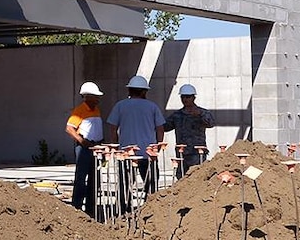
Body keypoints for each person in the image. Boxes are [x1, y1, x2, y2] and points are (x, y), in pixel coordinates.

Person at [107, 75, 167, 205]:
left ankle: (123, 209)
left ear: (130, 90)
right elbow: (160, 128)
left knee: (125, 184)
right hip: (147, 153)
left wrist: (116, 146)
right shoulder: (152, 107)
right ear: (144, 91)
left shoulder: (120, 106)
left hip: (127, 154)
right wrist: (158, 147)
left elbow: (112, 128)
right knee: (151, 185)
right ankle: (150, 208)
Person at [66, 82, 107, 213]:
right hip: (84, 148)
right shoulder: (79, 111)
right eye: (95, 96)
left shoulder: (96, 110)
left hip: (96, 147)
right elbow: (69, 128)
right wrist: (82, 141)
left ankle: (91, 209)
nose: (98, 99)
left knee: (94, 179)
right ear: (87, 96)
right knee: (81, 178)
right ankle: (76, 208)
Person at [166, 83, 212, 177]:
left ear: (193, 98)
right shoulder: (177, 115)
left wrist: (200, 115)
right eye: (183, 97)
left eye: (188, 97)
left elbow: (211, 123)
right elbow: (165, 127)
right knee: (181, 177)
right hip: (182, 154)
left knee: (197, 177)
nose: (185, 99)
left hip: (197, 154)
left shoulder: (202, 112)